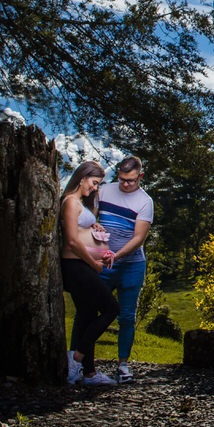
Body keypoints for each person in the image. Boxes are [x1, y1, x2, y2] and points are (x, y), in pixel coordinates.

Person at [93, 155, 154, 383]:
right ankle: (80, 359)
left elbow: (139, 238)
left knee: (127, 316)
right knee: (90, 309)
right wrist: (94, 224)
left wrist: (116, 256)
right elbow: (89, 215)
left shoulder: (145, 201)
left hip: (131, 265)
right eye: (121, 179)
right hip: (102, 263)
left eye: (130, 180)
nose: (125, 184)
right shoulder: (105, 191)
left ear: (140, 176)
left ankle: (123, 365)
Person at [60, 161, 120, 386]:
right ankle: (75, 358)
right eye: (94, 183)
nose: (95, 188)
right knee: (111, 308)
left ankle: (89, 373)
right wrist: (94, 264)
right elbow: (72, 241)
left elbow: (81, 232)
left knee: (87, 314)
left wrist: (95, 228)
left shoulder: (79, 205)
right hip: (75, 267)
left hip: (82, 265)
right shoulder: (70, 202)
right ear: (83, 177)